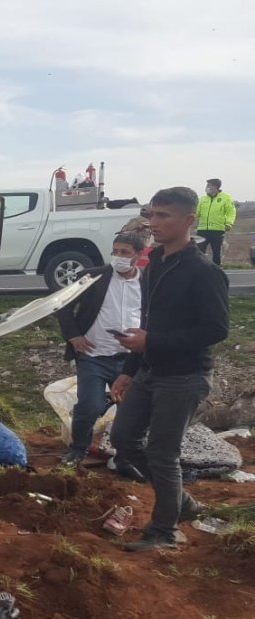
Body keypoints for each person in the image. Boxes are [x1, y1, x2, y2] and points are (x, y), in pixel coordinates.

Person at [110, 187, 229, 552]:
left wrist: (152, 342)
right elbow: (147, 323)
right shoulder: (154, 264)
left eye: (163, 216)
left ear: (189, 220)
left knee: (163, 453)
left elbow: (216, 330)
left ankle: (164, 533)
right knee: (123, 440)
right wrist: (129, 369)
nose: (153, 222)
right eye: (152, 214)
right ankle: (180, 502)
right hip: (149, 370)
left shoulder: (204, 271)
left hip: (185, 376)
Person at [56, 232, 146, 467]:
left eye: (125, 252)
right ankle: (78, 450)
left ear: (138, 255)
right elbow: (62, 306)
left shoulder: (148, 282)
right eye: (115, 251)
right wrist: (74, 335)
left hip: (131, 360)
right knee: (89, 406)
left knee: (131, 409)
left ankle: (127, 456)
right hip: (93, 356)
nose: (118, 257)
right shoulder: (92, 277)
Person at [195, 178, 236, 265]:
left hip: (217, 230)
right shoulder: (203, 199)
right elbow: (197, 212)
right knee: (199, 252)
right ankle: (200, 269)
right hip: (202, 229)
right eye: (207, 186)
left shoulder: (225, 198)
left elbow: (231, 212)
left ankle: (217, 269)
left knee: (216, 253)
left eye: (209, 185)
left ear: (215, 187)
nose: (207, 187)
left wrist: (229, 223)